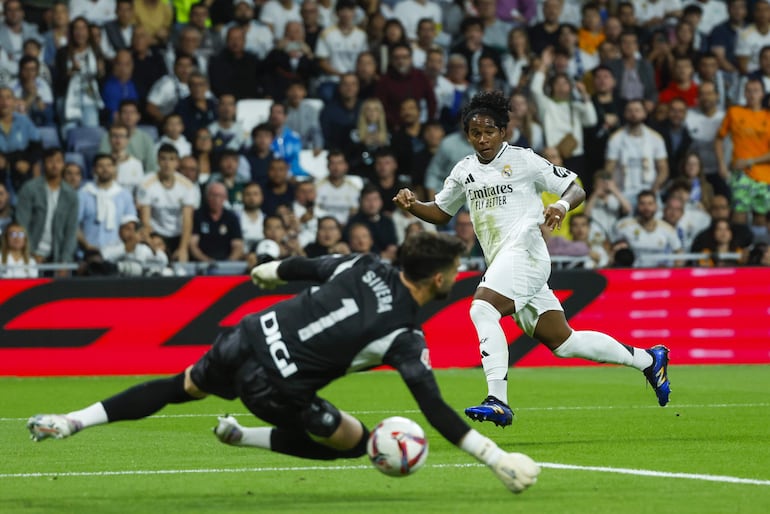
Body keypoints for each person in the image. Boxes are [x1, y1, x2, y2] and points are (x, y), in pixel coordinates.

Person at [26, 232, 540, 493]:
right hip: (275, 387)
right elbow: (434, 409)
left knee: (178, 386)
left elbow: (304, 267)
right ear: (439, 281)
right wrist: (498, 460)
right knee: (356, 443)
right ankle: (245, 436)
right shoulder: (404, 334)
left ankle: (72, 421)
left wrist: (268, 271)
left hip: (246, 336)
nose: (456, 275)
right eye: (453, 270)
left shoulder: (363, 264)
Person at [393, 91, 671, 428]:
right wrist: (413, 206)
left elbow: (575, 187)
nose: (482, 139)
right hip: (504, 263)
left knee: (482, 308)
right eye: (475, 133)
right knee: (564, 342)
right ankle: (648, 359)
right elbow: (440, 212)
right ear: (467, 135)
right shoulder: (464, 170)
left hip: (526, 252)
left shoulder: (524, 160)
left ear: (503, 132)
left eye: (489, 132)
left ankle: (498, 399)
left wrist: (561, 205)